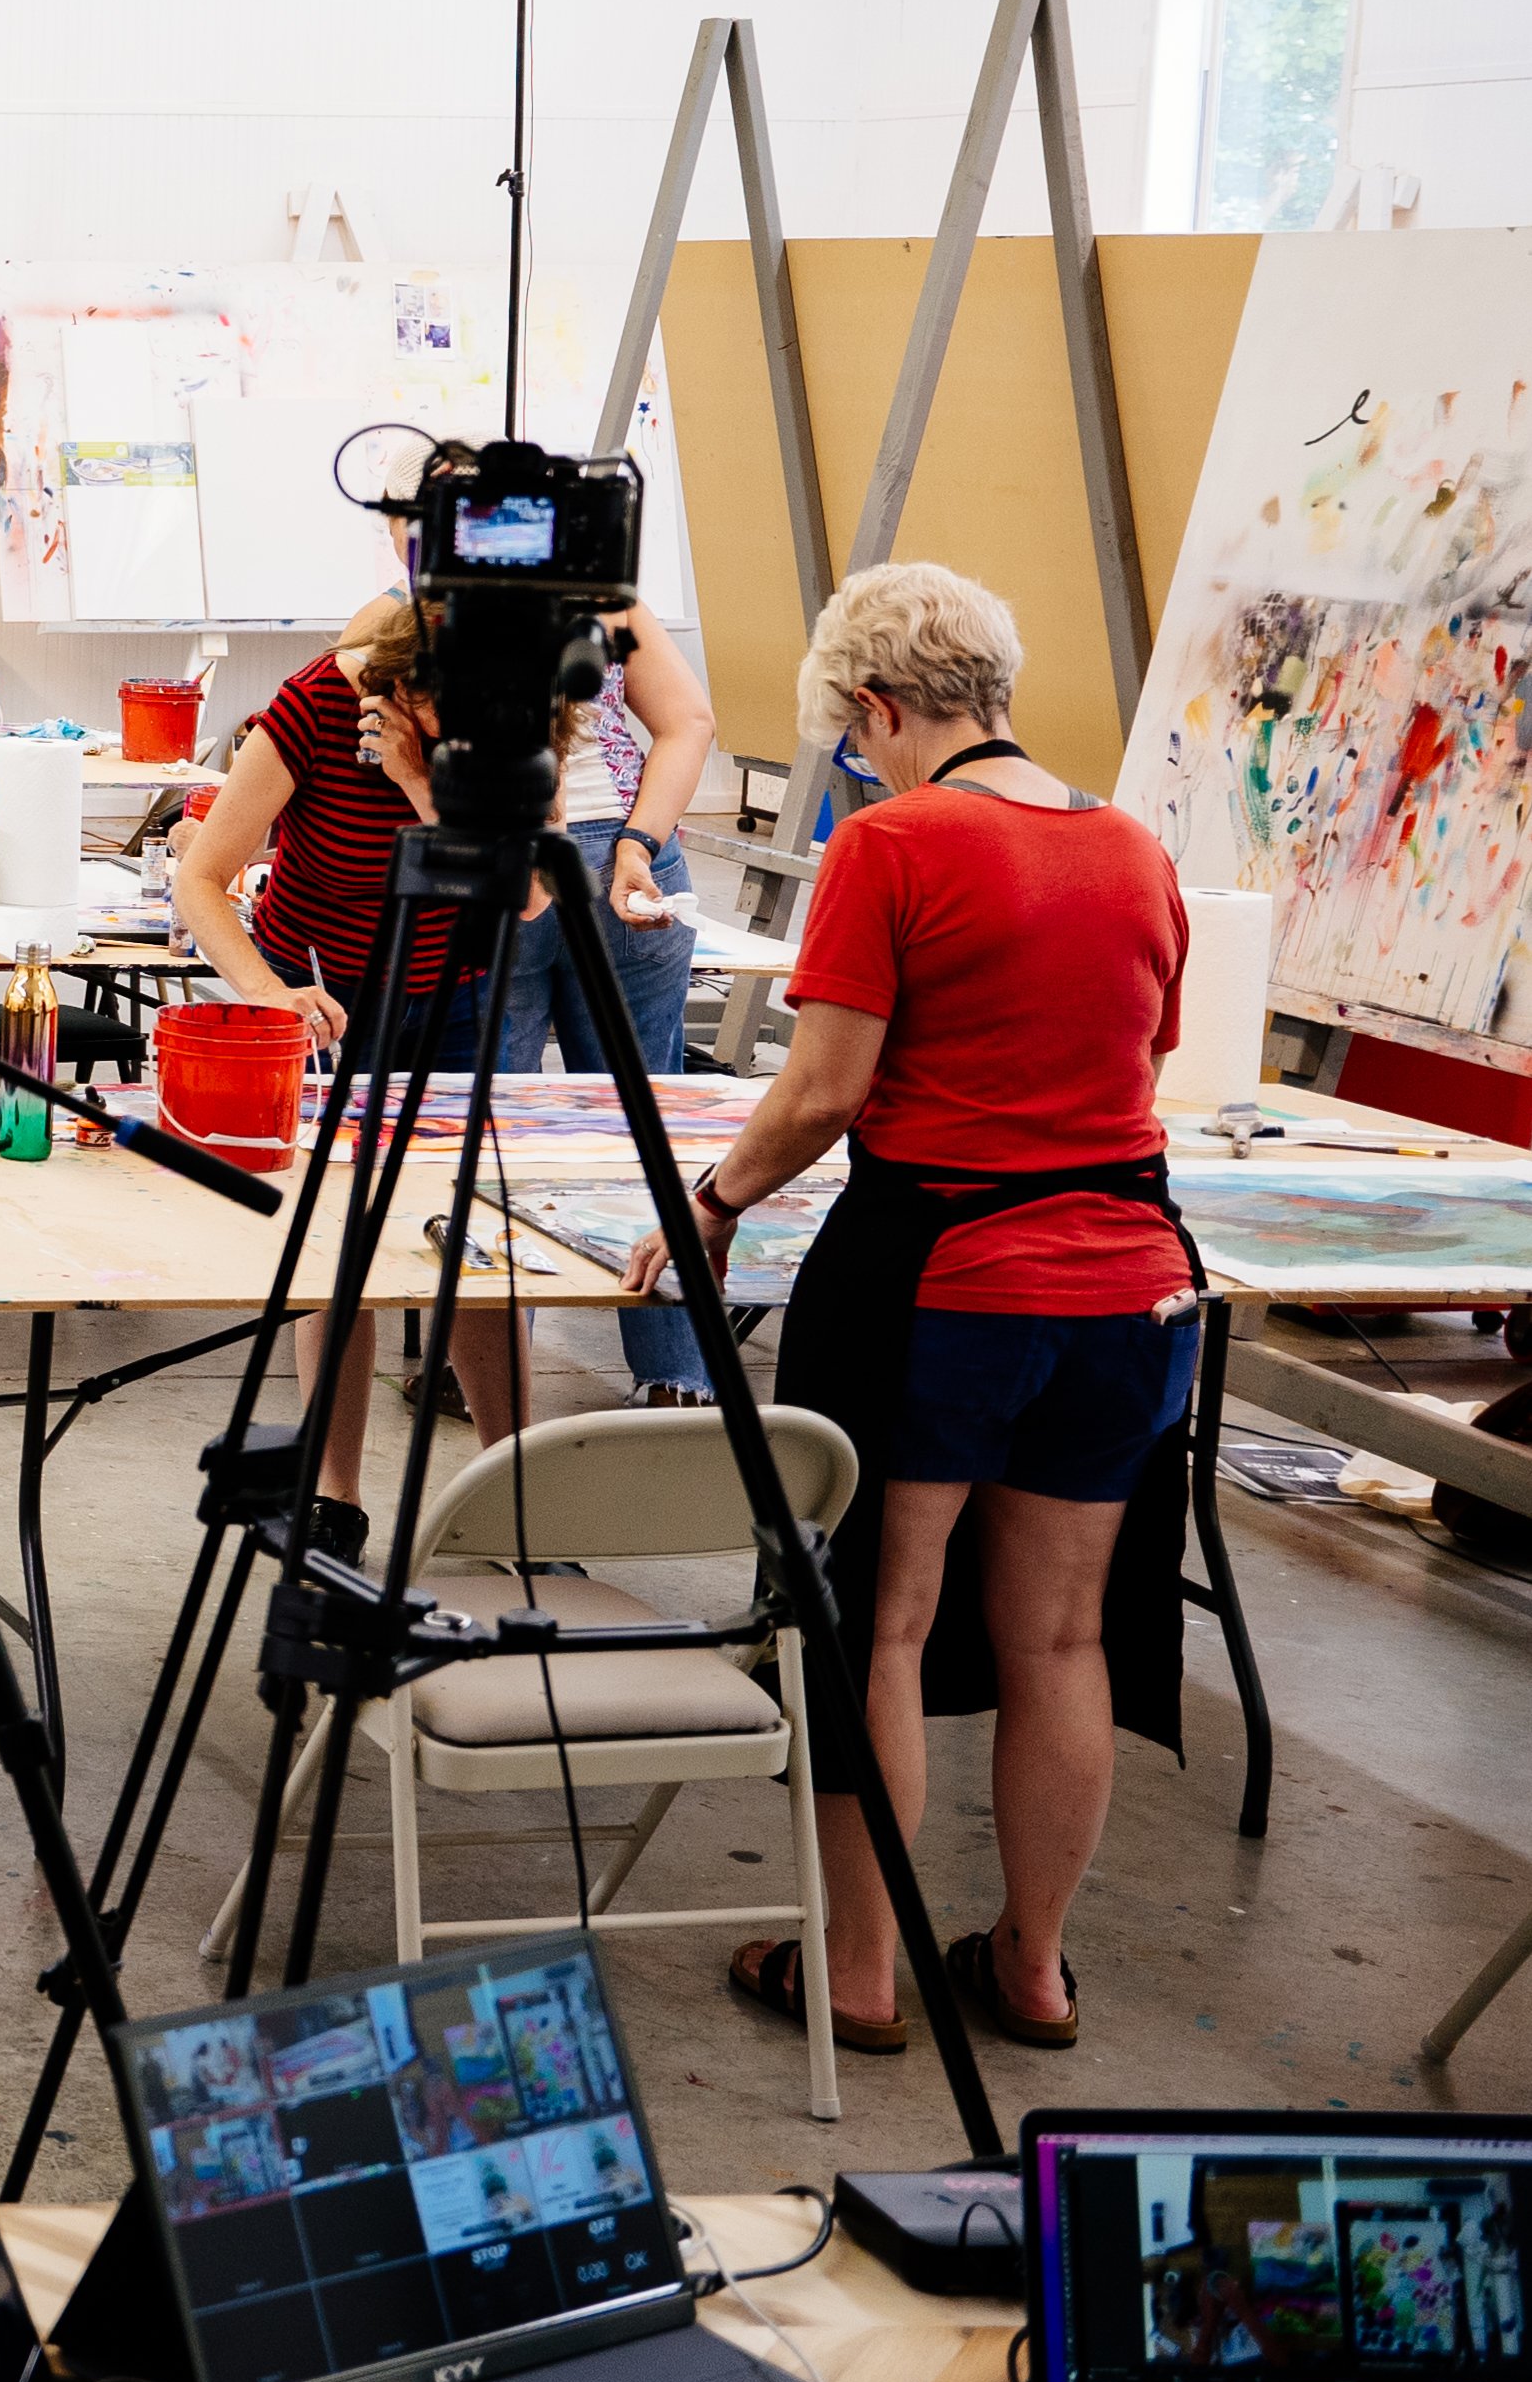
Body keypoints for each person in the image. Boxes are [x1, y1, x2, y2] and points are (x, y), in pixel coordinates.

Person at [654, 563, 1194, 2068]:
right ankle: (1030, 1964)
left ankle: (862, 1969)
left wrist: (712, 1198)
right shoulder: (1132, 845)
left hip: (951, 1278)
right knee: (1064, 1636)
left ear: (877, 706)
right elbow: (1142, 1048)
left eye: (854, 733)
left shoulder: (894, 841)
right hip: (1129, 1286)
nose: (859, 758)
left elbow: (825, 1088)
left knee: (879, 1627)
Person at [170, 594, 530, 1488]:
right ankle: (335, 1497)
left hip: (453, 988)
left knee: (471, 1241)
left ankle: (518, 1497)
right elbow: (201, 877)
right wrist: (268, 994)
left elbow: (523, 893)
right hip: (324, 990)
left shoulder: (501, 714)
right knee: (340, 1244)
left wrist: (421, 781)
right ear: (391, 686)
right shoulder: (309, 710)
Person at [496, 593, 727, 1403]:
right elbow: (688, 721)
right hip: (630, 857)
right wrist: (636, 842)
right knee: (643, 1124)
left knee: (493, 1132)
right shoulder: (602, 596)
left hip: (506, 863)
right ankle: (675, 1375)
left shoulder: (430, 604)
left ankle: (492, 1376)